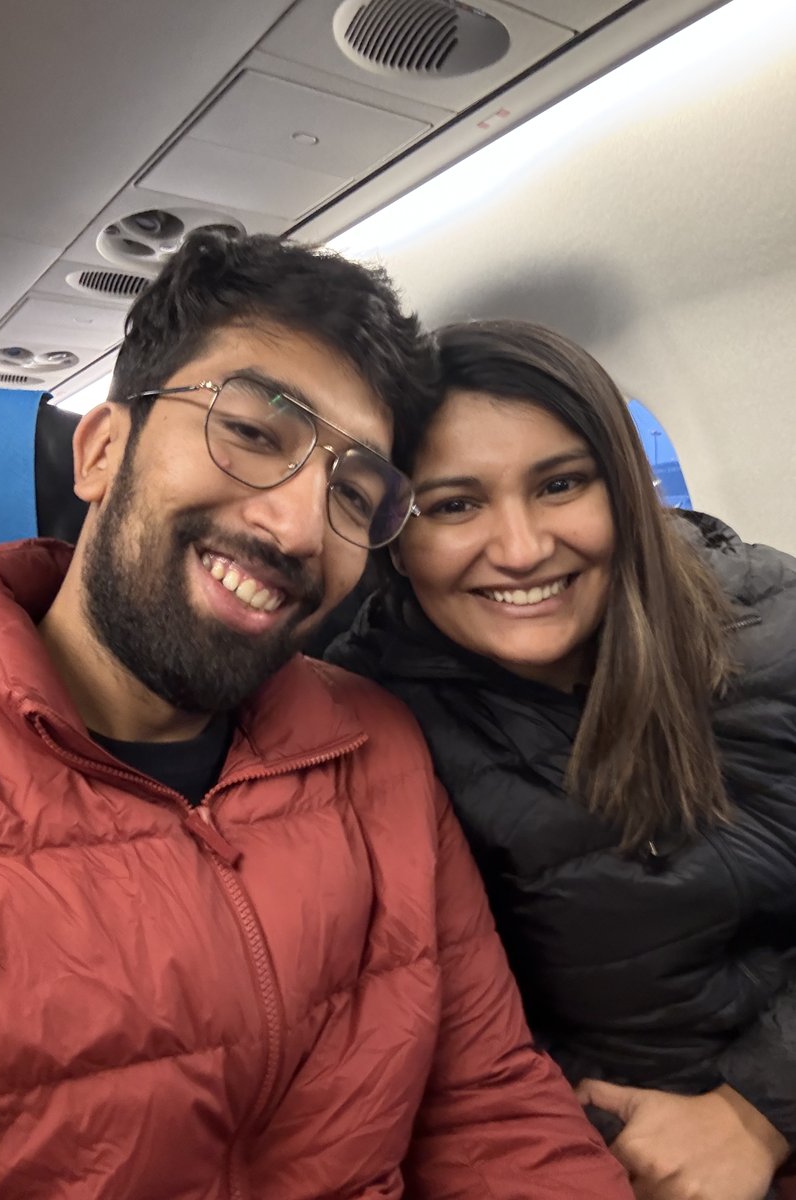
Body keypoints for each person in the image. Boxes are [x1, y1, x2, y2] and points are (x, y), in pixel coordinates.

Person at [0, 238, 631, 1199]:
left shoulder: (377, 747)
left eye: (353, 492)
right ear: (101, 451)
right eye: (248, 432)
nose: (297, 528)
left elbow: (487, 1106)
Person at [328, 318, 796, 1200]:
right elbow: (438, 1028)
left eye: (560, 484)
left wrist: (759, 1112)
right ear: (393, 533)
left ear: (624, 486)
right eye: (454, 505)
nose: (522, 549)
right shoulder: (365, 723)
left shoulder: (772, 620)